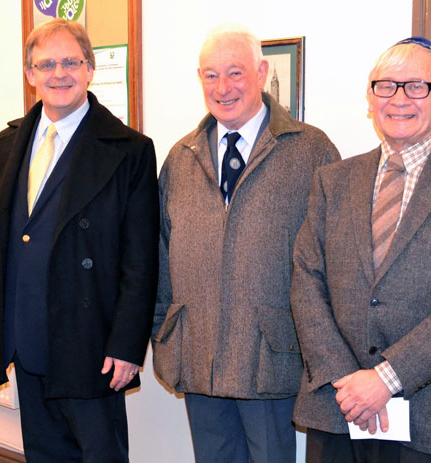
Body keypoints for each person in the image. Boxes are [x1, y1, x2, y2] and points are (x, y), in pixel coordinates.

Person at [291, 37, 431, 463]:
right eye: (386, 86)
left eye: (416, 86)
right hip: (337, 407)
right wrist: (347, 381)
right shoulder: (331, 182)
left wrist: (383, 381)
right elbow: (306, 281)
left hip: (429, 412)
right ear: (371, 100)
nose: (399, 99)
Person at [152, 24, 340, 463]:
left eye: (235, 73)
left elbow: (334, 262)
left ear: (261, 72)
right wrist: (164, 334)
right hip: (198, 356)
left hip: (271, 357)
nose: (223, 87)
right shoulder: (181, 157)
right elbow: (160, 257)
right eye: (211, 75)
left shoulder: (310, 151)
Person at [0, 18, 158, 463]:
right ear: (30, 75)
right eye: (46, 64)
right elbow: (5, 247)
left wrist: (127, 345)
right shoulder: (6, 145)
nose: (58, 73)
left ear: (89, 69)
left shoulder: (129, 150)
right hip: (26, 339)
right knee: (42, 455)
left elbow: (140, 260)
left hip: (91, 343)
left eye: (70, 62)